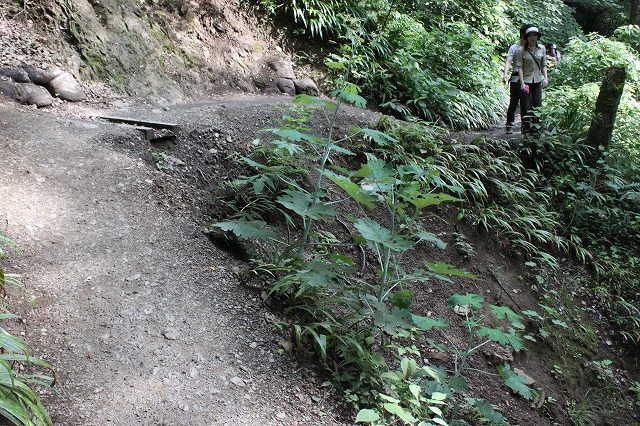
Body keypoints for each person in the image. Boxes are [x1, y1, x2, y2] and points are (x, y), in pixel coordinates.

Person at [515, 26, 548, 135]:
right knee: (526, 106)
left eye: (535, 35)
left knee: (538, 105)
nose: (533, 37)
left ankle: (536, 129)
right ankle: (526, 129)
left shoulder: (542, 49)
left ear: (537, 37)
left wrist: (546, 78)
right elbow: (520, 67)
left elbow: (543, 64)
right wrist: (522, 83)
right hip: (526, 81)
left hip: (537, 80)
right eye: (530, 35)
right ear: (527, 37)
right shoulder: (521, 50)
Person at [502, 24, 534, 134]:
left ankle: (526, 126)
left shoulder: (533, 48)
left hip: (529, 78)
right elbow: (509, 61)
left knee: (528, 103)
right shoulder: (514, 48)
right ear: (522, 35)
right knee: (514, 101)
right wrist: (505, 74)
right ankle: (509, 124)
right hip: (516, 78)